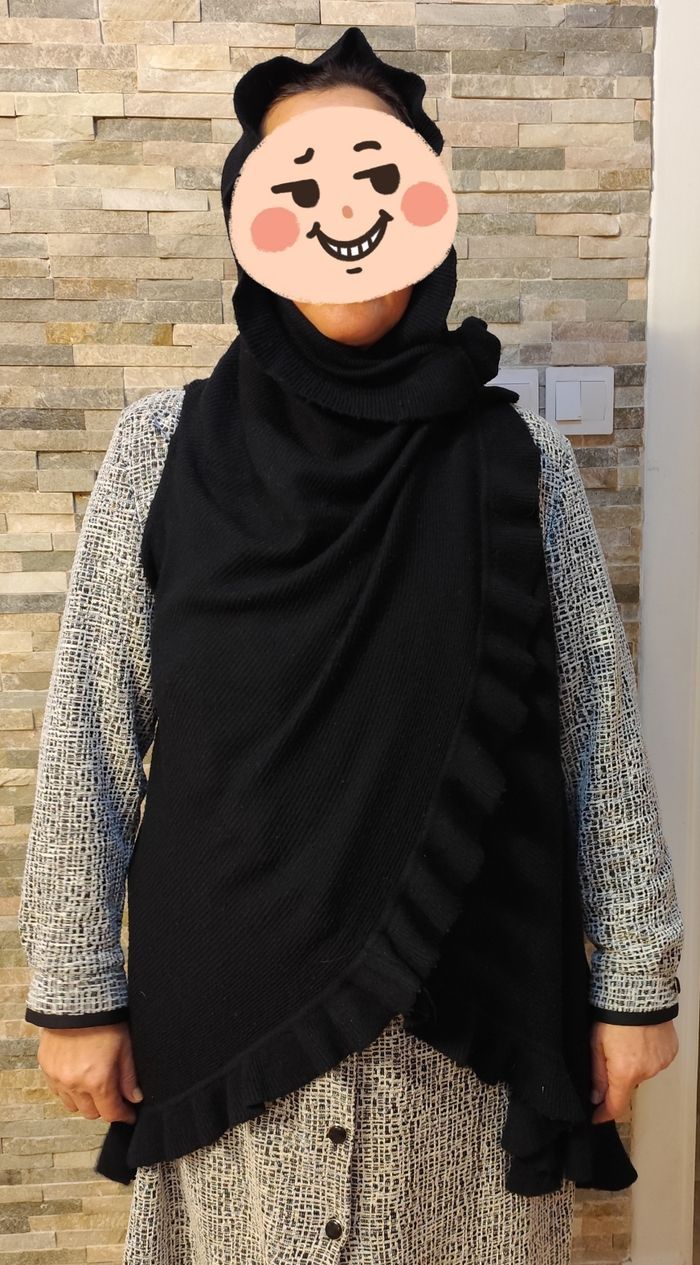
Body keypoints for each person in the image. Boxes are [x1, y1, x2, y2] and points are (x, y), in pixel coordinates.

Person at [17, 27, 683, 1265]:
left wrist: (636, 977)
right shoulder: (161, 449)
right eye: (303, 180)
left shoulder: (517, 460)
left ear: (430, 203)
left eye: (380, 175)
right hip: (227, 1012)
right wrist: (74, 989)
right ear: (248, 218)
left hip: (470, 1013)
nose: (345, 212)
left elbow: (596, 726)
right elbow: (93, 734)